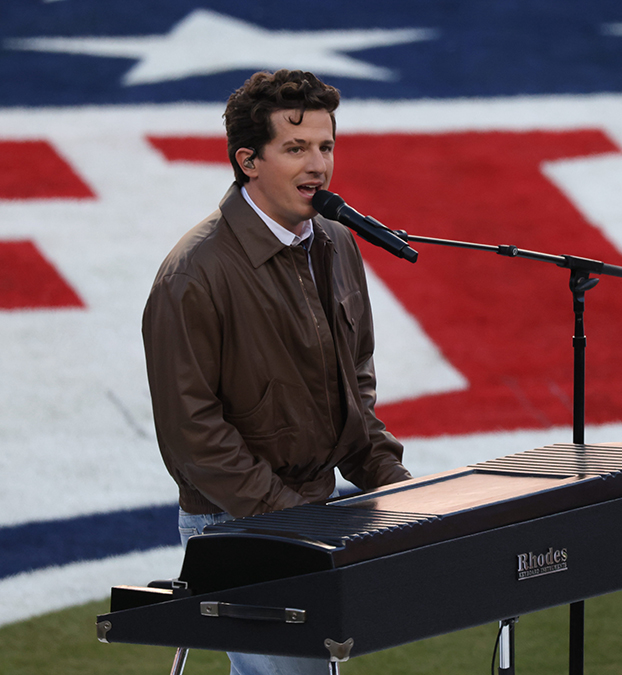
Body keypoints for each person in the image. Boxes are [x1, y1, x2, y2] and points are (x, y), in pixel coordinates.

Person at [142, 69, 411, 674]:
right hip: (235, 522)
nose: (318, 165)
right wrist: (287, 518)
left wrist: (391, 480)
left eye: (325, 146)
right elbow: (192, 435)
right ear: (248, 161)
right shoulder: (193, 274)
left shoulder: (338, 243)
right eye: (296, 149)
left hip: (310, 511)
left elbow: (354, 383)